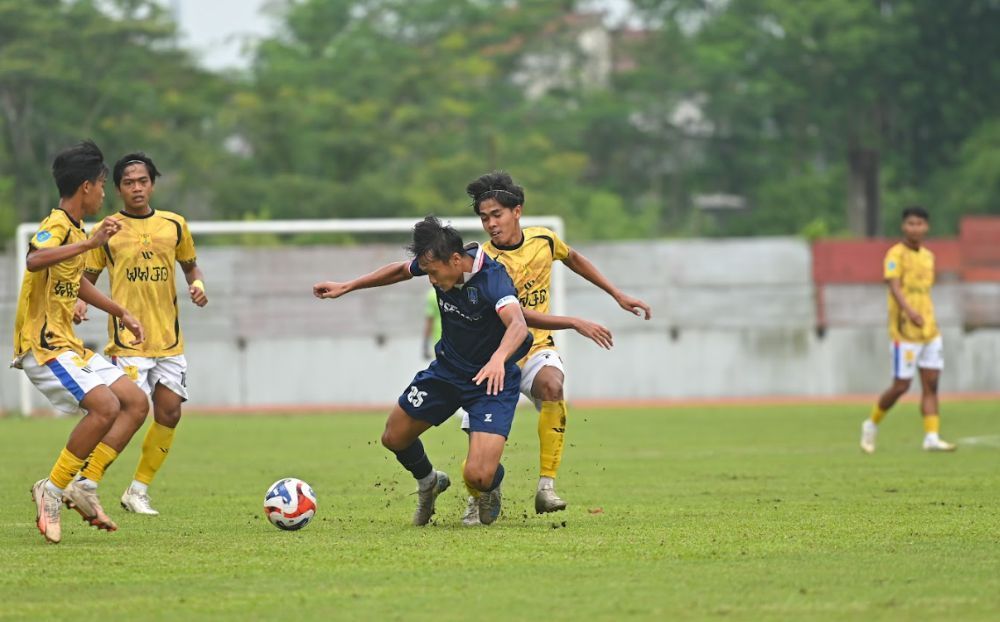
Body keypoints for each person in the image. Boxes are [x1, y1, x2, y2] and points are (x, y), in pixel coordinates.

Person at [314, 216, 533, 526]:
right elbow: (400, 270)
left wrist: (498, 358)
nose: (430, 280)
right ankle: (429, 481)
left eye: (433, 273)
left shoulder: (493, 279)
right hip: (447, 371)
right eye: (426, 272)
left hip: (490, 379)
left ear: (456, 260)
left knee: (478, 476)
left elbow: (518, 324)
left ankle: (491, 483)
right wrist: (348, 286)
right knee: (393, 437)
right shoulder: (438, 259)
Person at [462, 171, 652, 520]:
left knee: (553, 385)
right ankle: (482, 493)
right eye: (484, 218)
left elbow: (574, 258)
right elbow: (516, 315)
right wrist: (574, 321)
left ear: (517, 211)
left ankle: (546, 487)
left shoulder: (544, 240)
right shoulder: (481, 262)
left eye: (496, 215)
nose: (490, 224)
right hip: (495, 357)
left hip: (535, 348)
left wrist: (616, 294)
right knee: (479, 460)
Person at [15, 140, 149, 544]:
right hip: (43, 346)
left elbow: (74, 283)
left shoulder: (75, 230)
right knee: (105, 406)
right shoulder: (57, 224)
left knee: (135, 402)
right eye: (103, 185)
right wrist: (90, 245)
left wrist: (120, 311)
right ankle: (52, 489)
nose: (105, 193)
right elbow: (34, 258)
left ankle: (84, 486)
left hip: (68, 344)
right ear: (86, 186)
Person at [74, 152, 208, 515]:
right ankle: (86, 480)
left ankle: (137, 491)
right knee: (131, 413)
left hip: (169, 340)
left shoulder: (174, 225)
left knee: (170, 413)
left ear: (152, 184)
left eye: (143, 181)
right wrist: (80, 302)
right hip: (128, 342)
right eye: (129, 182)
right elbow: (87, 278)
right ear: (118, 188)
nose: (137, 188)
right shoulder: (108, 230)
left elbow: (191, 268)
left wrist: (198, 285)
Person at [861, 207, 956, 454]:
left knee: (931, 384)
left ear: (927, 227)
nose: (915, 228)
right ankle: (871, 423)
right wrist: (910, 312)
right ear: (904, 226)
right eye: (911, 223)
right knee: (901, 386)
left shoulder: (928, 256)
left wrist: (925, 316)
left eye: (920, 223)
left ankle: (932, 437)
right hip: (904, 330)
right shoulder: (895, 254)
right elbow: (894, 286)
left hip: (929, 330)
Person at [422, 287, 441, 360]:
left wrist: (425, 344)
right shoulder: (454, 292)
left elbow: (429, 321)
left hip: (438, 339)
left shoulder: (432, 294)